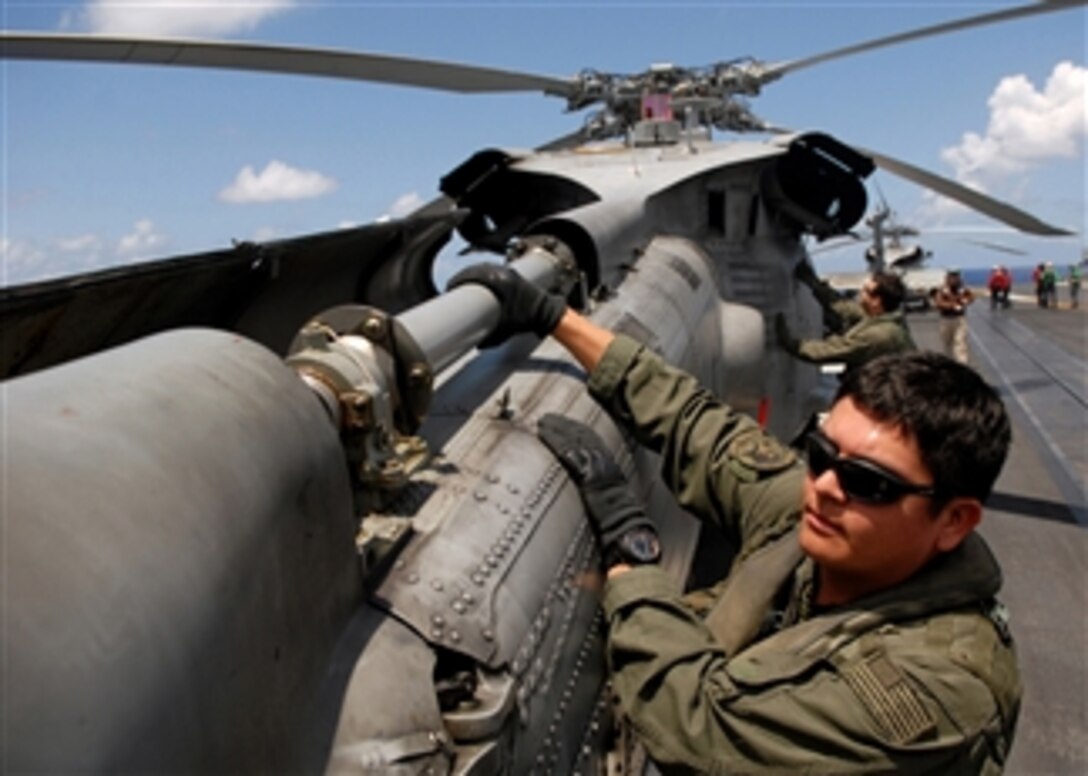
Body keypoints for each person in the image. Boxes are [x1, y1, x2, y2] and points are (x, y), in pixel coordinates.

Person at [449, 262, 1020, 774]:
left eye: (868, 483)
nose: (824, 488)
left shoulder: (932, 689)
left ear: (954, 520)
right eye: (821, 454)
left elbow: (700, 727)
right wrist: (553, 317)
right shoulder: (822, 515)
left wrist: (635, 559)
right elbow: (695, 423)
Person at [776, 264, 915, 369]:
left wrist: (788, 341)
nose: (860, 292)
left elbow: (826, 351)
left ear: (876, 301)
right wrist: (815, 284)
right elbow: (845, 307)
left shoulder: (878, 335)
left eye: (865, 291)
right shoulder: (884, 317)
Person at [933, 268, 974, 364]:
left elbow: (971, 297)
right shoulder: (942, 290)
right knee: (947, 343)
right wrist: (952, 305)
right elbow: (938, 302)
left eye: (956, 276)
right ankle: (948, 364)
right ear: (948, 277)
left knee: (960, 343)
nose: (954, 279)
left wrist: (965, 301)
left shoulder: (962, 288)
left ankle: (962, 365)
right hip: (946, 319)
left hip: (959, 319)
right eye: (952, 276)